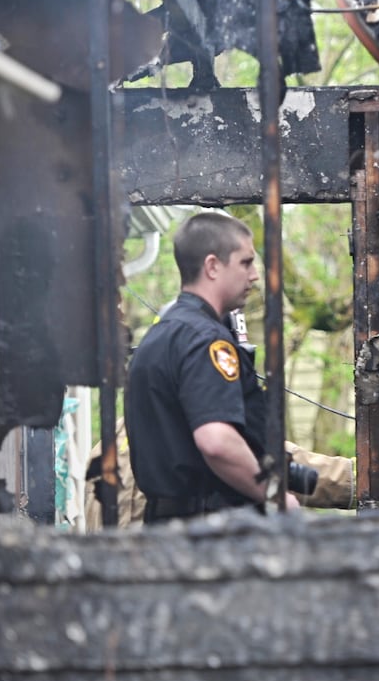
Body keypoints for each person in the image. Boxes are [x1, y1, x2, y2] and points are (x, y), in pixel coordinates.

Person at [125, 211, 301, 522]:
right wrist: (273, 495)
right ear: (212, 266)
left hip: (166, 527)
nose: (255, 275)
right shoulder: (206, 340)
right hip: (209, 530)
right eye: (245, 262)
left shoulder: (159, 335)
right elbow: (217, 441)